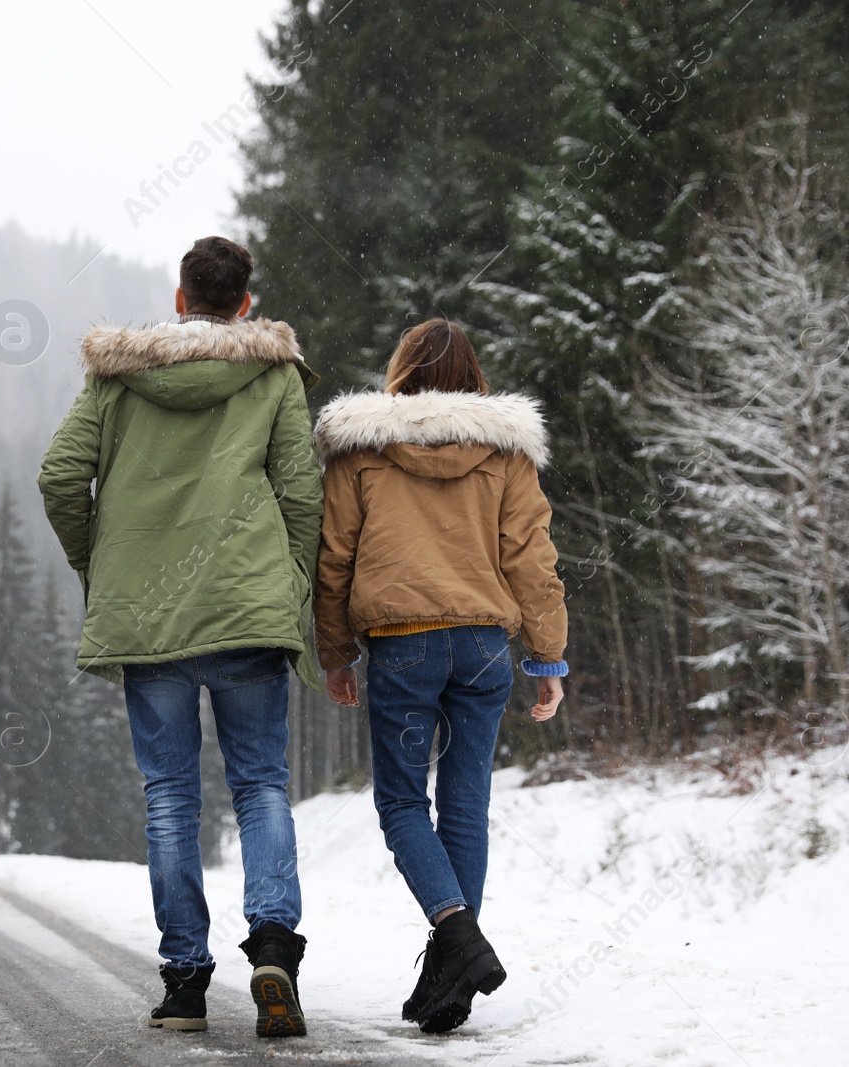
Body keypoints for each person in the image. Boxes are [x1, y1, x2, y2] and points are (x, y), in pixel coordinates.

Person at [37, 236, 322, 1037]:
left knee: (169, 795)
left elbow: (60, 475)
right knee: (261, 782)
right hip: (245, 611)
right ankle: (272, 942)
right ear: (245, 305)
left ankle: (186, 982)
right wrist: (288, 590)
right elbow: (302, 493)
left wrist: (102, 562)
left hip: (149, 614)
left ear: (178, 298)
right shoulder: (271, 376)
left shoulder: (117, 379)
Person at [312, 318, 568, 1034]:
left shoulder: (361, 450)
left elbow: (334, 556)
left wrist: (336, 649)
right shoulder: (506, 452)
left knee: (400, 803)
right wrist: (547, 656)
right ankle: (449, 980)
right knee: (464, 807)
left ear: (400, 371)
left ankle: (454, 938)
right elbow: (531, 558)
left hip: (403, 644)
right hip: (484, 646)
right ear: (474, 375)